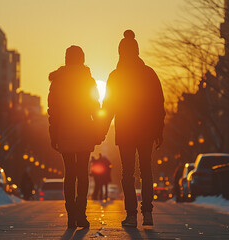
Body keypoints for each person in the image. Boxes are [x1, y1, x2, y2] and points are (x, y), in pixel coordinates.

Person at [102, 30, 165, 227]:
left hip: (127, 130)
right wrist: (159, 131)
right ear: (137, 51)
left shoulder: (116, 76)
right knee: (146, 171)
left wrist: (101, 130)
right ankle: (147, 212)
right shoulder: (149, 74)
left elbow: (109, 106)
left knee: (128, 173)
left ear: (120, 52)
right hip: (146, 130)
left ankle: (131, 215)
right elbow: (158, 105)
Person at [48, 45, 103, 228]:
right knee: (82, 174)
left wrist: (53, 134)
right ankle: (81, 213)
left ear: (66, 59)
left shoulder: (58, 81)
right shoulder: (87, 80)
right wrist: (99, 130)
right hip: (84, 129)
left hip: (65, 130)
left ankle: (71, 215)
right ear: (82, 59)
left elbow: (53, 110)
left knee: (69, 174)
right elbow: (95, 106)